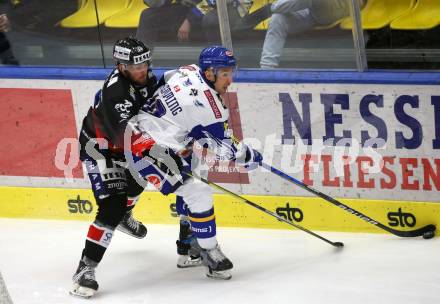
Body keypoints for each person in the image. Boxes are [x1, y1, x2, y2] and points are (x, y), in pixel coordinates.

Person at [128, 46, 263, 280]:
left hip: (151, 134)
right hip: (144, 147)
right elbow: (224, 149)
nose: (230, 80)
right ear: (209, 73)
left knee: (197, 166)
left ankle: (189, 248)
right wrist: (249, 157)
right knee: (199, 191)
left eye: (232, 72)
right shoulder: (210, 109)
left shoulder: (187, 71)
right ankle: (210, 251)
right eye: (225, 74)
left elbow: (163, 79)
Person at [70, 37, 158, 299]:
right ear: (121, 66)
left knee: (141, 175)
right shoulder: (116, 92)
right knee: (111, 206)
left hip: (125, 145)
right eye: (135, 66)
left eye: (144, 63)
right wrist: (162, 152)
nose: (142, 69)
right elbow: (128, 136)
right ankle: (85, 268)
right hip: (100, 149)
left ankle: (124, 215)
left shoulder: (147, 79)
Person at [260, 0, 366, 69]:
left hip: (345, 7)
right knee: (278, 18)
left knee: (279, 9)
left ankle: (268, 9)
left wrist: (272, 8)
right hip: (314, 12)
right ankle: (267, 70)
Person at [136, 0, 203, 45]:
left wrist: (189, 20)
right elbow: (154, 3)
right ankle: (141, 60)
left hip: (206, 11)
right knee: (148, 15)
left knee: (211, 20)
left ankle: (211, 60)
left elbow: (209, 3)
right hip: (185, 8)